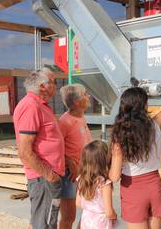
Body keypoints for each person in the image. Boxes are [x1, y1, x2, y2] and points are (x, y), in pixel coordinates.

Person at [109, 72, 161, 229]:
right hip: (154, 185)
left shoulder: (119, 136)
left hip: (132, 190)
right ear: (144, 106)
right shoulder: (154, 126)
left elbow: (115, 176)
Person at [13, 68, 65, 229]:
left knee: (46, 221)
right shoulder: (31, 107)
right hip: (44, 179)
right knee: (45, 224)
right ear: (43, 86)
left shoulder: (40, 105)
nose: (56, 86)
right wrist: (50, 176)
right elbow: (25, 152)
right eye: (54, 82)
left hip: (48, 178)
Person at [58, 84, 92, 229]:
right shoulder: (65, 121)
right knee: (68, 217)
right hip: (70, 175)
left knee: (89, 212)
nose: (88, 96)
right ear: (77, 102)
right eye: (85, 94)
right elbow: (55, 148)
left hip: (83, 172)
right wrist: (70, 162)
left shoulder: (81, 118)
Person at [76, 140, 117, 229]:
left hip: (86, 221)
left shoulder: (82, 179)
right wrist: (115, 216)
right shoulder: (104, 183)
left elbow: (78, 203)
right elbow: (109, 212)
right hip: (101, 223)